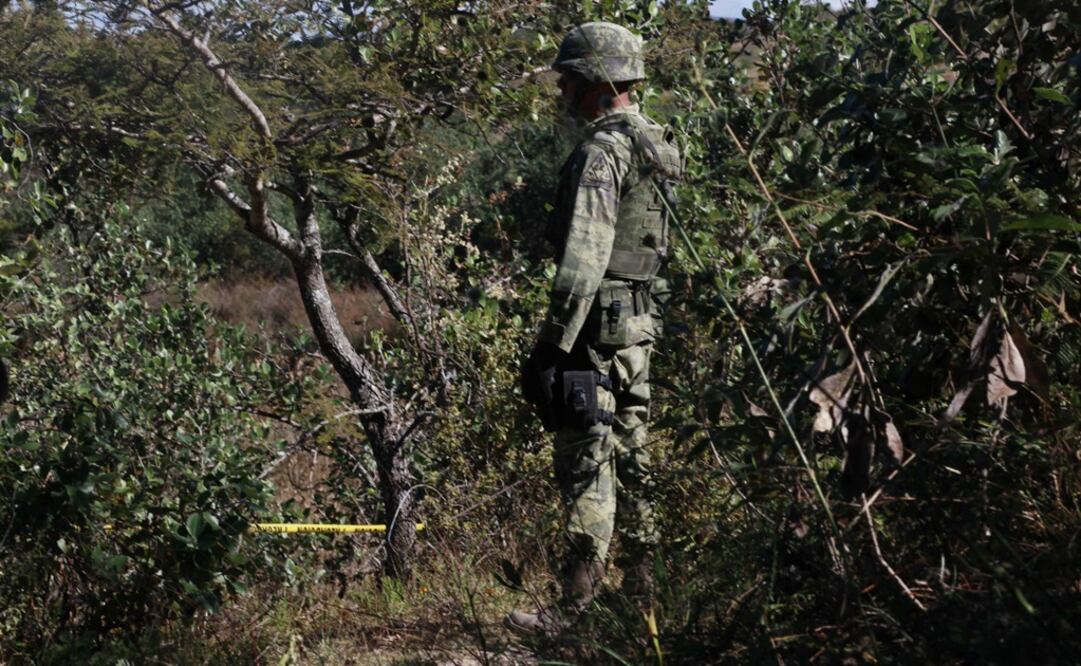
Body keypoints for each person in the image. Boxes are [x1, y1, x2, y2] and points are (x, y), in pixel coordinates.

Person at [509, 21, 682, 635]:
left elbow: (585, 254)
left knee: (586, 461)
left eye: (569, 80)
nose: (561, 91)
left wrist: (552, 346)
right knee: (635, 460)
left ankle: (574, 609)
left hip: (593, 333)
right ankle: (644, 603)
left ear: (594, 83)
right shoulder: (659, 144)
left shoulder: (601, 151)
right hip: (639, 325)